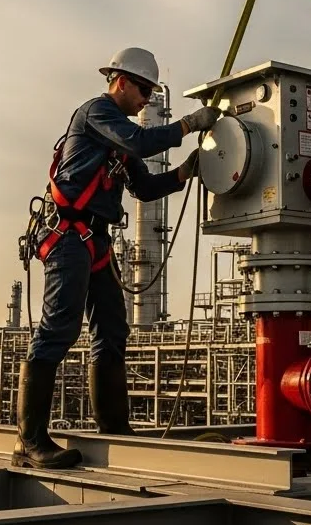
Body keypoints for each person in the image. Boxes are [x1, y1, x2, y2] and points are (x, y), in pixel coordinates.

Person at [13, 47, 221, 469]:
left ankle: (114, 428)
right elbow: (142, 142)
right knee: (58, 330)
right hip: (69, 235)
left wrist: (186, 171)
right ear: (121, 82)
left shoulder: (118, 139)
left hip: (95, 241)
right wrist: (189, 124)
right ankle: (29, 440)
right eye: (144, 89)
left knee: (112, 330)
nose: (147, 98)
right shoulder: (96, 114)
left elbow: (143, 188)